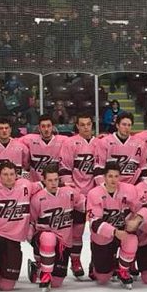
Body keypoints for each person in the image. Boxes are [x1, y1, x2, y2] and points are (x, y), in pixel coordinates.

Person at [0, 161, 40, 291]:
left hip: (13, 239)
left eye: (11, 174)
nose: (9, 177)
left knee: (7, 286)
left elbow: (45, 185)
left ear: (17, 175)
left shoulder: (25, 185)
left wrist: (63, 184)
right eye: (5, 174)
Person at [30, 163, 86, 292]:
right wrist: (34, 243)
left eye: (56, 180)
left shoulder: (69, 193)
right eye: (50, 180)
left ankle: (36, 270)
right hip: (45, 240)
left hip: (63, 243)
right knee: (48, 238)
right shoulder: (37, 198)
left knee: (56, 283)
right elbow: (31, 222)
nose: (53, 183)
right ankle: (43, 270)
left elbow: (82, 203)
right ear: (43, 180)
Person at [87, 162, 141, 289]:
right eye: (110, 176)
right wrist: (114, 231)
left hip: (122, 232)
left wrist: (138, 218)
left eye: (116, 176)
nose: (113, 179)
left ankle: (123, 269)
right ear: (104, 177)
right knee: (103, 278)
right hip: (103, 236)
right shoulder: (94, 193)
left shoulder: (129, 189)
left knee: (132, 239)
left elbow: (143, 207)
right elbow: (94, 223)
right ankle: (96, 264)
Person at [59, 113, 98, 278]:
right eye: (82, 124)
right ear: (77, 126)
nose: (86, 127)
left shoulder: (100, 143)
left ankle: (96, 263)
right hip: (77, 194)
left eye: (88, 124)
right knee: (77, 230)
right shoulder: (70, 143)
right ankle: (75, 261)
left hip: (96, 194)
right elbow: (65, 168)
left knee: (98, 231)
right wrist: (72, 191)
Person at [94, 112, 147, 186]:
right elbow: (99, 169)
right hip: (110, 187)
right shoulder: (104, 142)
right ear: (117, 125)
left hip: (132, 188)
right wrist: (104, 187)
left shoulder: (140, 144)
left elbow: (144, 169)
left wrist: (143, 188)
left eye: (129, 125)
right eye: (124, 124)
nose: (126, 127)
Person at [23, 115, 67, 182]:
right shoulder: (30, 139)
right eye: (43, 126)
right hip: (35, 184)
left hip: (55, 185)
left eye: (48, 126)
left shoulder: (63, 140)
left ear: (53, 127)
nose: (46, 129)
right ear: (39, 128)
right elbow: (13, 142)